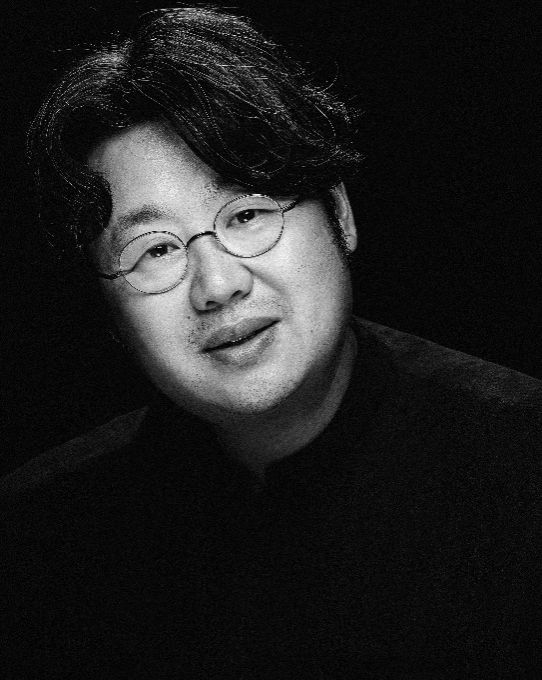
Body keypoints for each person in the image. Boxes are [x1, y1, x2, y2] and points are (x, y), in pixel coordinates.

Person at [2, 6, 542, 678]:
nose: (217, 284)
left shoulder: (522, 470)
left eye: (248, 214)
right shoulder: (39, 538)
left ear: (339, 214)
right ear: (110, 309)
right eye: (155, 250)